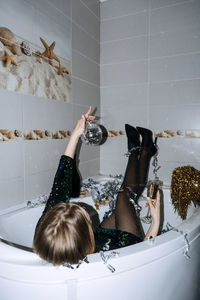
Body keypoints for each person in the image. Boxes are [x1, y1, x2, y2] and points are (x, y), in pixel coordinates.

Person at [33, 107, 160, 265]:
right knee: (124, 198)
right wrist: (155, 222)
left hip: (87, 243)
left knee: (124, 200)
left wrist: (76, 134)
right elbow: (144, 256)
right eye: (88, 222)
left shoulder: (46, 235)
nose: (90, 218)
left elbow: (60, 185)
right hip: (114, 248)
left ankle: (141, 151)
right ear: (87, 242)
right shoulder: (105, 264)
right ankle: (142, 151)